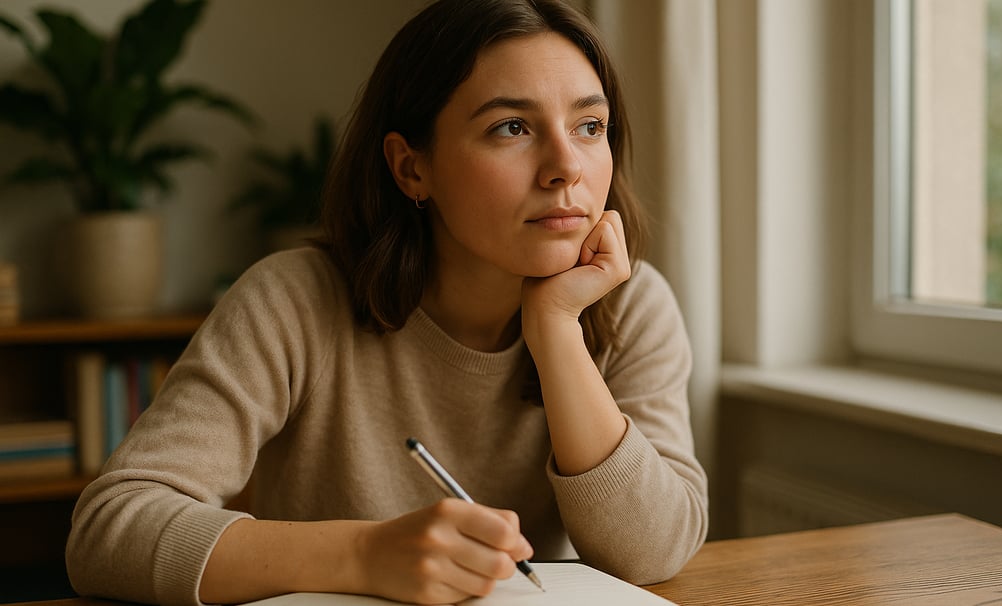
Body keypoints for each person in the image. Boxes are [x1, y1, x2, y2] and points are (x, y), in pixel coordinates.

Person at [65, 0, 709, 604]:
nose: (565, 167)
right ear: (411, 169)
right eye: (511, 127)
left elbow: (652, 553)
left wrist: (555, 328)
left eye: (589, 125)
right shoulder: (290, 301)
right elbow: (108, 529)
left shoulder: (631, 305)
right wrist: (364, 554)